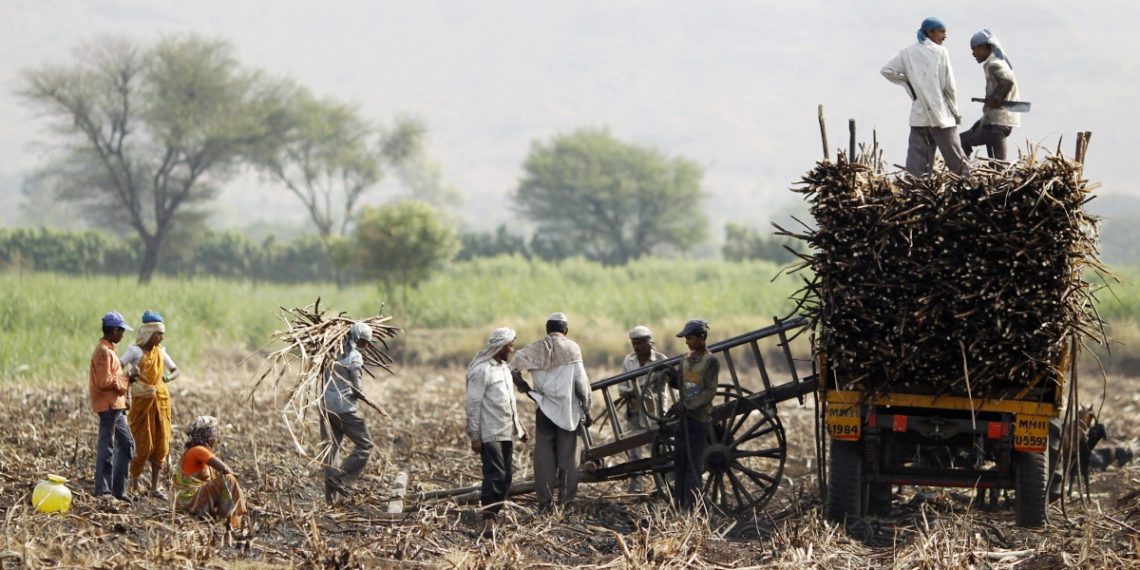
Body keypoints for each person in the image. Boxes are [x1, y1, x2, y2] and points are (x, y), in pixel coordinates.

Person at [510, 312, 591, 512]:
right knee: (569, 459)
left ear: (547, 329)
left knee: (544, 459)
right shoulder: (572, 348)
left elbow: (512, 368)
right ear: (566, 331)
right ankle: (565, 505)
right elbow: (581, 383)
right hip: (567, 411)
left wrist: (524, 387)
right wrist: (587, 408)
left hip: (544, 409)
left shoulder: (534, 349)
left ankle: (545, 504)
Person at [881, 17, 970, 177]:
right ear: (930, 32)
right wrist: (955, 112)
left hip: (919, 115)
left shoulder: (907, 52)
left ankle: (912, 189)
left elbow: (887, 70)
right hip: (941, 115)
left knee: (916, 164)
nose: (945, 36)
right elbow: (950, 86)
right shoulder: (941, 52)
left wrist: (910, 85)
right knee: (956, 159)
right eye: (941, 32)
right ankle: (968, 185)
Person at [466, 327, 528, 539]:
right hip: (489, 431)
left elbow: (509, 402)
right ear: (500, 346)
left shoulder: (503, 368)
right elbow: (473, 404)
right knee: (495, 475)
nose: (512, 349)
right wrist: (475, 436)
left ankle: (494, 513)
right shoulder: (482, 370)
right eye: (510, 345)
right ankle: (488, 519)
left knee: (506, 476)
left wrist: (519, 428)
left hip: (505, 431)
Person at [121, 310, 180, 500]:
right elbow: (118, 369)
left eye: (162, 334)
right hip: (141, 401)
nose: (161, 338)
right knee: (141, 443)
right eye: (159, 334)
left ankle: (155, 487)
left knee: (161, 443)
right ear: (149, 333)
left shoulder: (161, 352)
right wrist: (130, 377)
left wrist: (166, 379)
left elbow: (176, 370)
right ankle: (134, 483)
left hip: (160, 401)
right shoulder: (134, 351)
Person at [665, 319, 719, 510]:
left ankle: (694, 508)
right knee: (679, 464)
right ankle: (679, 505)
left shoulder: (710, 361)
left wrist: (686, 406)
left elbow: (709, 391)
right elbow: (681, 384)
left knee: (693, 466)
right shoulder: (685, 360)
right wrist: (672, 377)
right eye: (686, 338)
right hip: (683, 420)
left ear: (702, 337)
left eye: (690, 338)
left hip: (699, 420)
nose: (687, 342)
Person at [320, 322, 375, 504]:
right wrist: (366, 398)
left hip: (325, 407)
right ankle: (339, 478)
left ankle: (330, 502)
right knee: (365, 446)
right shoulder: (354, 357)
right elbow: (357, 388)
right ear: (356, 338)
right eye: (364, 341)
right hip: (345, 409)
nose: (365, 345)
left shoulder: (330, 350)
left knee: (331, 451)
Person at [173, 416, 247, 536]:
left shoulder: (193, 450)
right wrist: (236, 485)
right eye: (214, 433)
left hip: (186, 500)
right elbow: (225, 469)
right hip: (191, 501)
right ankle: (230, 518)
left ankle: (226, 517)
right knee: (229, 479)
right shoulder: (199, 450)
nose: (216, 438)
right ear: (209, 435)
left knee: (221, 480)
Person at [89, 311, 136, 503]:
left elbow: (112, 378)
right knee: (107, 447)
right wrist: (127, 377)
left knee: (127, 444)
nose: (123, 335)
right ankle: (103, 491)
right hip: (108, 406)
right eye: (122, 331)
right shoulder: (103, 351)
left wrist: (126, 383)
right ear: (115, 331)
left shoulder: (110, 350)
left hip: (115, 405)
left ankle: (118, 490)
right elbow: (104, 381)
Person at [618, 325, 668, 493]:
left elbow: (668, 383)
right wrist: (628, 392)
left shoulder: (661, 360)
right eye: (634, 343)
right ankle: (635, 488)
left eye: (639, 343)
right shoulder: (629, 360)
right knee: (633, 452)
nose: (636, 347)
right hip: (634, 410)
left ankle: (664, 486)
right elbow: (621, 386)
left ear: (649, 342)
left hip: (655, 413)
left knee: (660, 450)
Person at [959, 29, 1020, 162]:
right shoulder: (994, 63)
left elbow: (1007, 80)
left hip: (997, 124)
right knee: (963, 140)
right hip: (993, 122)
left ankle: (964, 170)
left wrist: (996, 97)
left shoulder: (994, 64)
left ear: (983, 47)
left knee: (998, 165)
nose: (973, 53)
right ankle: (964, 169)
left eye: (974, 49)